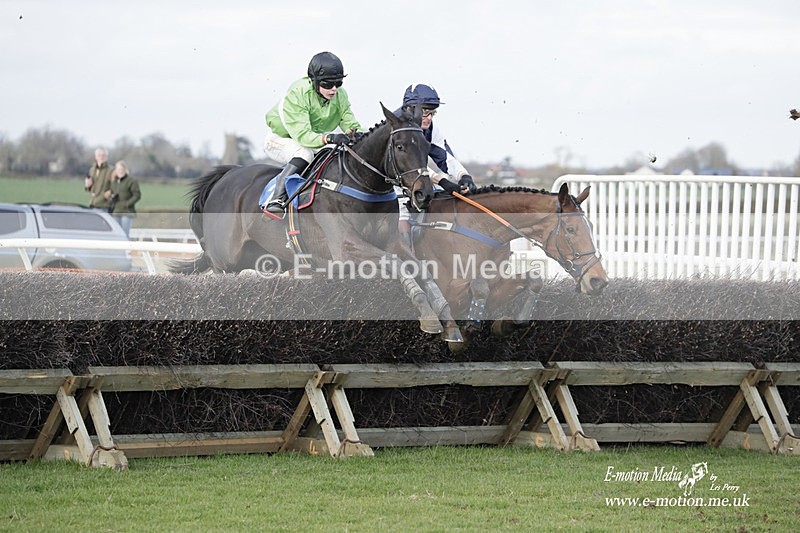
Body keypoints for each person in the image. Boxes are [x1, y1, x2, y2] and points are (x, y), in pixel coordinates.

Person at [262, 51, 364, 215]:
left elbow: (349, 122)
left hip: (312, 139)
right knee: (305, 154)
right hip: (281, 139)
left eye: (338, 83)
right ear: (314, 81)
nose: (334, 89)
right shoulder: (298, 93)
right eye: (327, 84)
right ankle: (277, 197)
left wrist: (360, 134)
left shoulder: (340, 95)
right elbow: (302, 136)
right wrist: (329, 137)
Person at [395, 83, 477, 246]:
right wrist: (442, 181)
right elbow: (411, 167)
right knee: (404, 212)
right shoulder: (399, 127)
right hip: (393, 181)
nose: (429, 118)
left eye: (432, 113)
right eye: (425, 112)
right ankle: (404, 260)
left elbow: (445, 157)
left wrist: (464, 176)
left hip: (417, 181)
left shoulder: (431, 129)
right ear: (410, 109)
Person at [108, 160, 141, 238]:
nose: (120, 171)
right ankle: (118, 250)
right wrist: (112, 198)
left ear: (125, 170)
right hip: (116, 211)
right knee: (117, 234)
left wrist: (127, 204)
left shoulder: (131, 181)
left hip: (127, 212)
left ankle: (127, 250)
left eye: (122, 169)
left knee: (125, 234)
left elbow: (137, 195)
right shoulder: (114, 182)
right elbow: (112, 193)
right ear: (116, 170)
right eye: (118, 169)